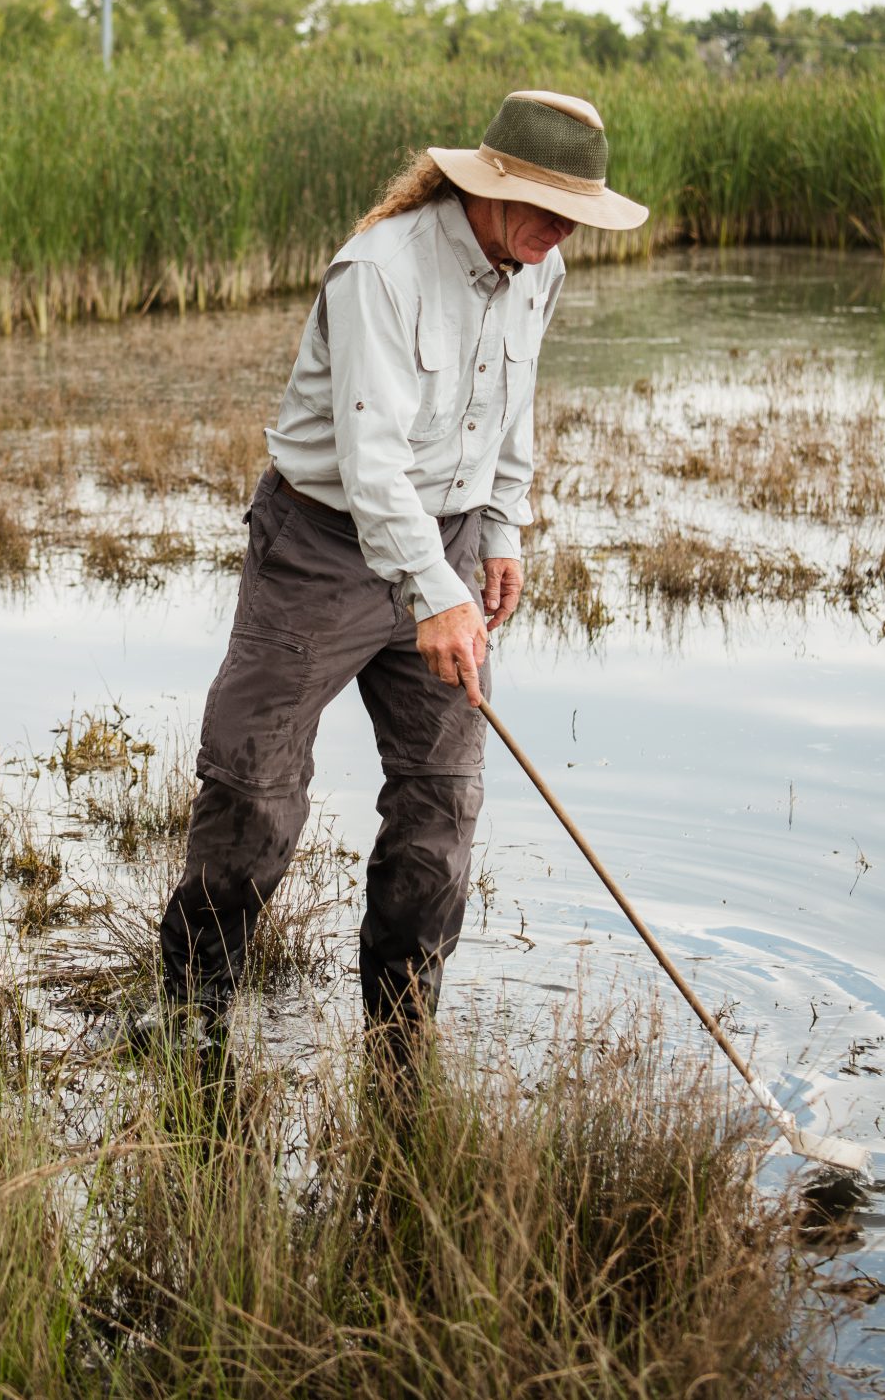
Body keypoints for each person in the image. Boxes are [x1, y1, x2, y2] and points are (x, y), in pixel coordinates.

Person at [152, 90, 648, 1073]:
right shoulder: (379, 269)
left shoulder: (535, 267)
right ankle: (192, 1021)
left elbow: (513, 409)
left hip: (452, 541)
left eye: (573, 217)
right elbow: (371, 460)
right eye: (546, 211)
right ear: (488, 187)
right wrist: (437, 593)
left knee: (440, 802)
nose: (557, 236)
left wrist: (498, 529)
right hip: (320, 549)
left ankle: (398, 1033)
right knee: (252, 792)